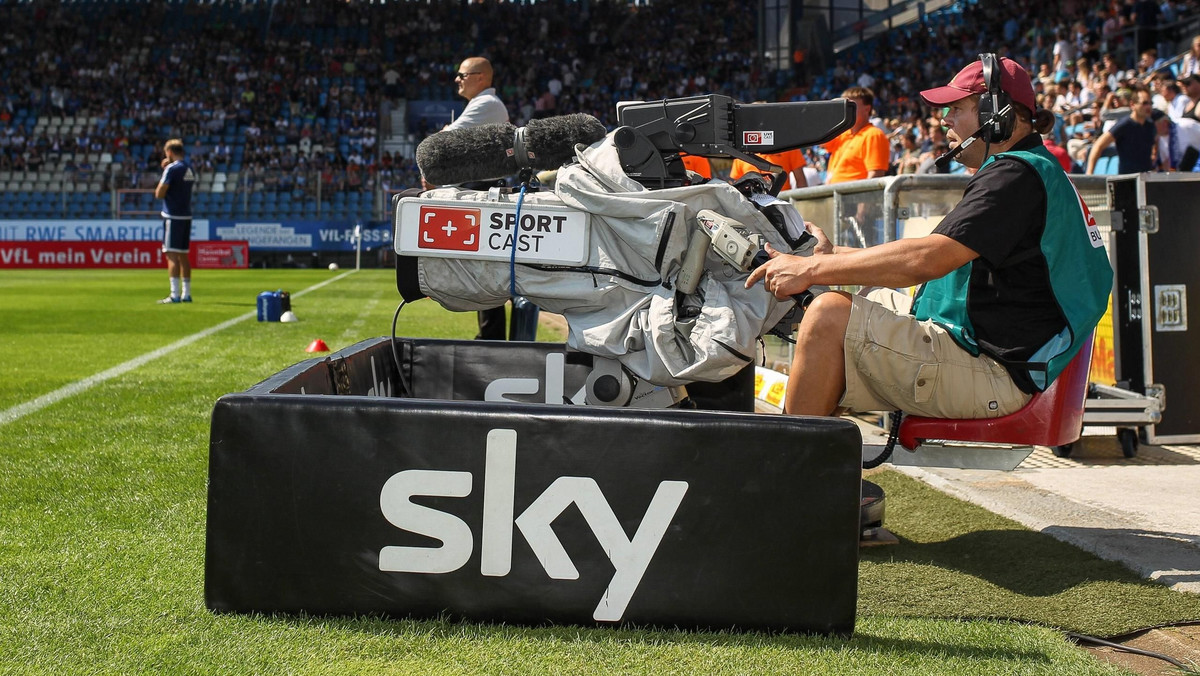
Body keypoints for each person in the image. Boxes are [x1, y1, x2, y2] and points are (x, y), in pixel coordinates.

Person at [745, 56, 1112, 420]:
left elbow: (924, 262)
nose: (944, 120)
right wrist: (827, 257)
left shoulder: (1013, 176)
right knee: (868, 298)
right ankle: (817, 456)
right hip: (993, 358)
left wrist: (815, 270)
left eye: (956, 108)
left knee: (829, 315)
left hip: (994, 374)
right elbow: (921, 258)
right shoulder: (1029, 169)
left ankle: (788, 464)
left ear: (996, 114)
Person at [423, 56, 511, 340]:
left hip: (484, 190)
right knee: (483, 268)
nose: (457, 79)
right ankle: (490, 335)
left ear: (482, 77)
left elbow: (446, 139)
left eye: (463, 74)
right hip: (481, 188)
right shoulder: (482, 104)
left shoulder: (487, 104)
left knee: (485, 268)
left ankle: (491, 337)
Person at [156, 138, 197, 304]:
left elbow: (159, 193)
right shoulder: (189, 168)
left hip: (172, 216)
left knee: (171, 255)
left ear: (170, 152)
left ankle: (174, 294)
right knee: (183, 256)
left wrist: (165, 171)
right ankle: (186, 294)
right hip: (186, 214)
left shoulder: (172, 169)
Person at [822, 86, 890, 184]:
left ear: (867, 109)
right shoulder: (842, 134)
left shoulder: (873, 135)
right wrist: (832, 109)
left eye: (851, 107)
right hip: (835, 194)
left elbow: (875, 175)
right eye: (844, 107)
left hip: (853, 197)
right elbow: (822, 142)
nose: (846, 111)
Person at [1086, 88, 1157, 174]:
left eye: (1150, 103)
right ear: (1132, 105)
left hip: (1145, 179)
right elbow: (1098, 145)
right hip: (1127, 179)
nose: (1148, 107)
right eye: (1145, 103)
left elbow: (1155, 142)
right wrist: (1089, 173)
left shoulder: (1150, 125)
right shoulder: (1124, 125)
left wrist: (1154, 154)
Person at [728, 149, 808, 190]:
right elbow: (736, 184)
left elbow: (801, 181)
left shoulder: (789, 148)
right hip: (752, 209)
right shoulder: (742, 153)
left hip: (782, 205)